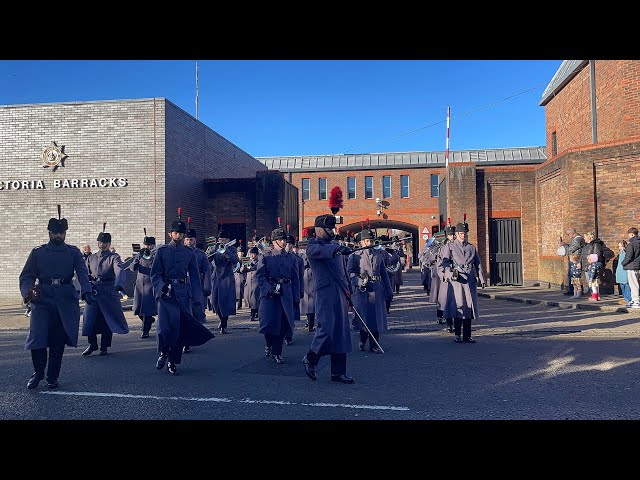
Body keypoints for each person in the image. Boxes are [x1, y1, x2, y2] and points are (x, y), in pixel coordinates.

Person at [19, 206, 95, 389]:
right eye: (55, 233)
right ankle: (38, 373)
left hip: (64, 299)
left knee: (57, 340)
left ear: (65, 233)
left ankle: (52, 376)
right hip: (42, 298)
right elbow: (27, 275)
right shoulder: (38, 252)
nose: (58, 236)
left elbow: (82, 273)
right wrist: (27, 291)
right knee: (37, 338)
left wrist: (87, 291)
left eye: (61, 233)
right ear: (49, 233)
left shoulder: (73, 252)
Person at [150, 209, 215, 374]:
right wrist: (161, 287)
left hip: (183, 294)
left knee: (178, 330)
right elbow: (155, 274)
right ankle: (164, 352)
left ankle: (173, 361)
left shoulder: (189, 253)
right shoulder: (162, 251)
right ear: (170, 233)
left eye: (180, 233)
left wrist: (197, 297)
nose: (178, 235)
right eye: (175, 232)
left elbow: (194, 276)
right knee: (164, 328)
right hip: (166, 294)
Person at [302, 214, 355, 384]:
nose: (332, 231)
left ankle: (338, 372)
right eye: (329, 229)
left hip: (339, 291)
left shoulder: (334, 245)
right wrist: (337, 249)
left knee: (341, 331)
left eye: (333, 228)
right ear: (318, 230)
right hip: (325, 293)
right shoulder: (312, 246)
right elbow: (321, 252)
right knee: (326, 328)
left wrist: (349, 292)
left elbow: (343, 272)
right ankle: (311, 358)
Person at [81, 224, 129, 356]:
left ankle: (104, 346)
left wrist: (119, 285)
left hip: (108, 290)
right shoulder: (91, 257)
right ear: (97, 243)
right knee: (89, 318)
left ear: (109, 244)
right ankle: (92, 344)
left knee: (108, 319)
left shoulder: (114, 257)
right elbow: (85, 273)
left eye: (105, 243)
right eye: (100, 242)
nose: (102, 245)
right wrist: (85, 289)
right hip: (94, 290)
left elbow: (119, 270)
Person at [255, 227, 300, 364]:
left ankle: (277, 352)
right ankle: (269, 344)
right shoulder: (266, 256)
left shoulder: (291, 258)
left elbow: (295, 277)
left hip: (285, 292)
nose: (284, 242)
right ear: (274, 241)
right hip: (269, 294)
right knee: (268, 323)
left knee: (282, 324)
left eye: (284, 239)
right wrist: (269, 289)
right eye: (281, 239)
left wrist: (296, 296)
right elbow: (260, 276)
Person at [347, 228, 393, 354]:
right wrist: (359, 281)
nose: (369, 243)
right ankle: (362, 340)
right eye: (367, 241)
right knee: (364, 318)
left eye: (371, 241)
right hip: (362, 291)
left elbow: (384, 274)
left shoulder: (379, 255)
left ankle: (374, 344)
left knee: (376, 318)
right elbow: (350, 273)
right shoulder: (355, 256)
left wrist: (389, 291)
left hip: (377, 289)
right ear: (362, 242)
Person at [440, 222, 486, 343]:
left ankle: (467, 335)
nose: (463, 236)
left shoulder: (471, 247)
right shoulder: (449, 247)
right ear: (456, 234)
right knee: (458, 307)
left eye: (465, 234)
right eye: (461, 233)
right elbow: (445, 263)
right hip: (457, 281)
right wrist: (450, 273)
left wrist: (482, 279)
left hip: (469, 280)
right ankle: (457, 335)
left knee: (468, 308)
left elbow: (478, 263)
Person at [182, 224, 212, 353]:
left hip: (196, 287)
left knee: (196, 313)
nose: (189, 242)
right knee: (184, 314)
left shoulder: (200, 255)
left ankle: (192, 337)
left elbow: (207, 271)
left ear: (195, 240)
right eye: (187, 239)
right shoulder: (179, 253)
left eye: (191, 239)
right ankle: (185, 341)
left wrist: (206, 287)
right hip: (182, 287)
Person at [208, 229, 239, 334]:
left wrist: (225, 251)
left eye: (223, 240)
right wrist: (211, 252)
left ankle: (224, 323)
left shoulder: (232, 249)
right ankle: (221, 319)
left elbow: (235, 260)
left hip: (227, 278)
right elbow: (207, 259)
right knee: (215, 300)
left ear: (228, 240)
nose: (221, 242)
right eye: (220, 239)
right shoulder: (215, 248)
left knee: (225, 302)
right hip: (216, 277)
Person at [130, 234, 157, 338]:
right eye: (145, 245)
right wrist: (136, 260)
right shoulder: (140, 254)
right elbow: (132, 268)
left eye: (149, 245)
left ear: (153, 245)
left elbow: (154, 268)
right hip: (139, 285)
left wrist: (149, 257)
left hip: (150, 285)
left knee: (147, 309)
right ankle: (150, 320)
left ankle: (145, 330)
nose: (147, 247)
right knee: (137, 309)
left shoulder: (156, 255)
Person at [433, 226, 456, 331]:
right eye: (451, 235)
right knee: (447, 302)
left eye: (454, 234)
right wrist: (444, 276)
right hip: (447, 279)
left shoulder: (459, 246)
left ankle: (457, 324)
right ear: (447, 236)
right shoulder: (442, 248)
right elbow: (439, 265)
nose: (453, 237)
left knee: (458, 302)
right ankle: (449, 324)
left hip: (458, 278)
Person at [284, 234, 304, 346]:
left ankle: (289, 335)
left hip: (292, 289)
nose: (288, 246)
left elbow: (300, 276)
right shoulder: (278, 257)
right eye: (287, 244)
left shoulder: (299, 260)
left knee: (290, 314)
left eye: (291, 244)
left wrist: (301, 290)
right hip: (282, 290)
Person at [558, 229, 585, 296]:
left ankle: (576, 291)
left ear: (572, 233)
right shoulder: (576, 239)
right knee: (572, 275)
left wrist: (564, 247)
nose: (568, 236)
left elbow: (571, 249)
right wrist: (565, 244)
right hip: (573, 259)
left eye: (568, 234)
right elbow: (571, 246)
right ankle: (573, 290)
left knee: (575, 276)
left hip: (576, 259)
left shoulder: (578, 239)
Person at [621, 227, 640, 309]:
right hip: (638, 265)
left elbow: (629, 256)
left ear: (632, 234)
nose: (628, 236)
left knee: (633, 284)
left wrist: (623, 263)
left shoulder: (632, 243)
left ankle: (636, 301)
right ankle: (633, 300)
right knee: (637, 283)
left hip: (632, 266)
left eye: (629, 234)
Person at [241, 246, 260, 321]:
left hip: (256, 283)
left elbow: (257, 268)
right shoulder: (248, 260)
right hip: (249, 282)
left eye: (253, 254)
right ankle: (253, 313)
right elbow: (242, 270)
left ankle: (254, 314)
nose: (252, 255)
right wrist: (244, 265)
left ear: (257, 255)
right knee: (249, 299)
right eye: (251, 254)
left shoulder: (259, 261)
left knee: (255, 299)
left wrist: (251, 265)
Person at [615, 240, 631, 304]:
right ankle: (625, 298)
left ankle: (628, 299)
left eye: (621, 246)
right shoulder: (620, 253)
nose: (620, 248)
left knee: (626, 285)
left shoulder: (625, 252)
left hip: (624, 270)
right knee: (622, 285)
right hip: (620, 271)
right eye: (619, 246)